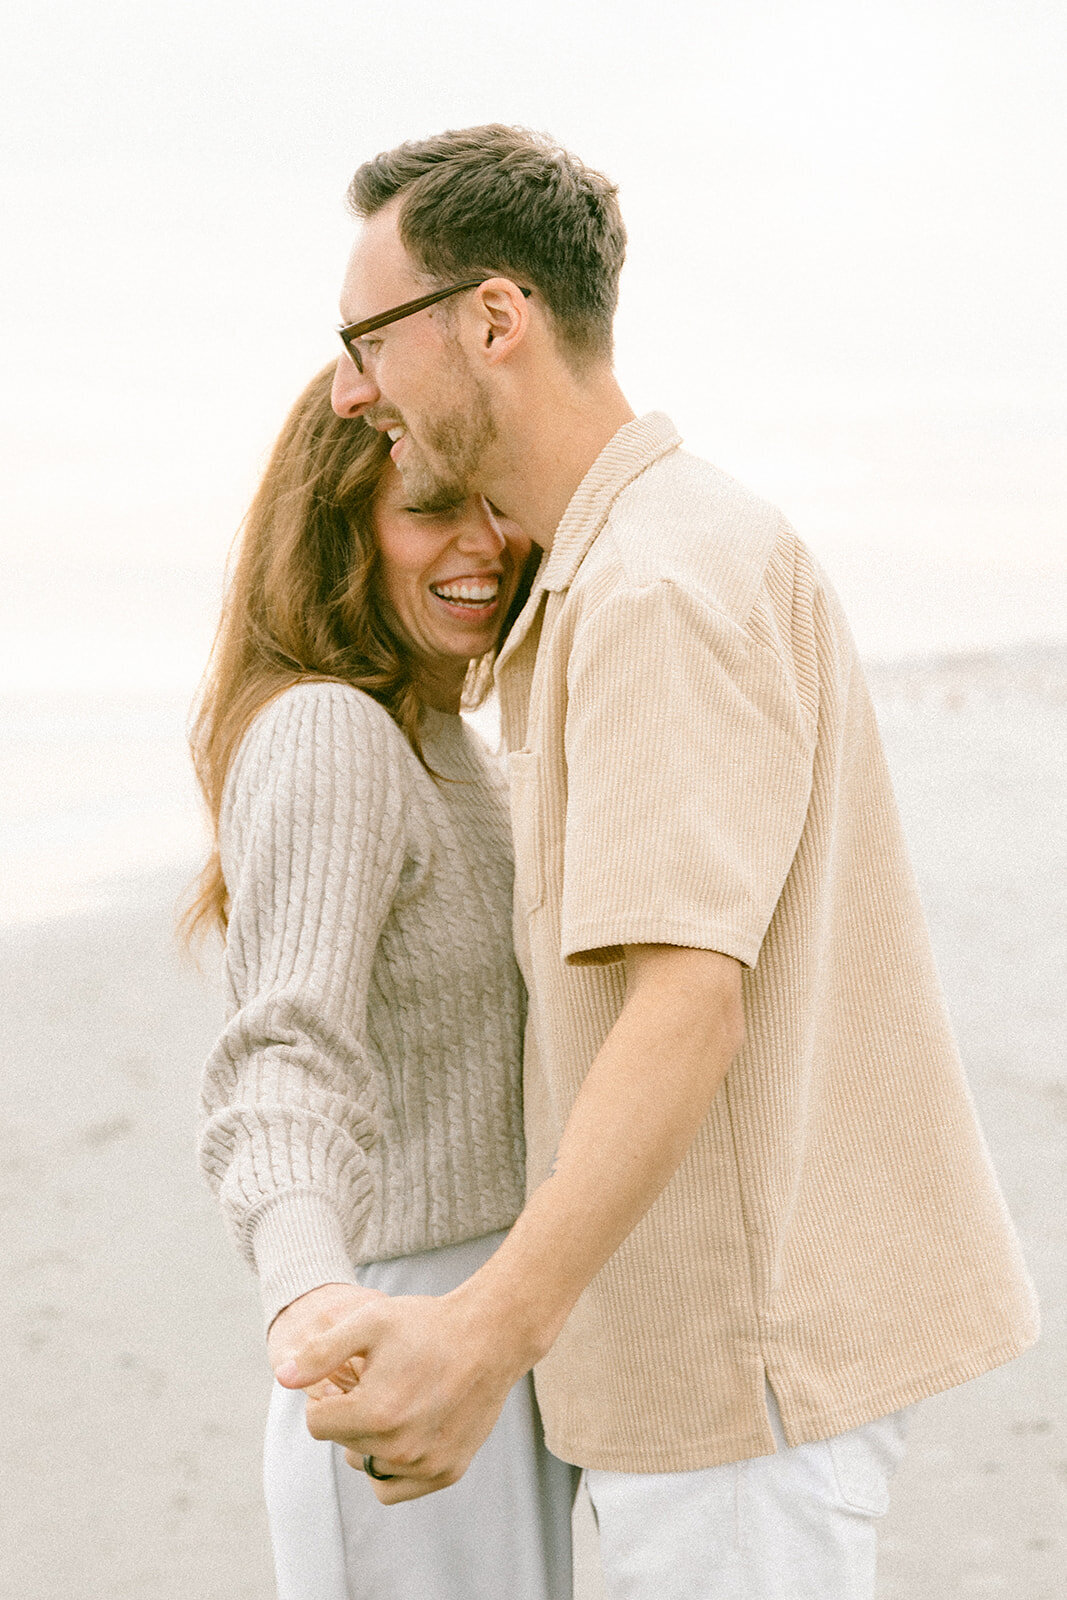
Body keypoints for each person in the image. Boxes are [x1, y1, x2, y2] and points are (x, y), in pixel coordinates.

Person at [274, 127, 1041, 1599]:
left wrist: (483, 1333)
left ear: (492, 320)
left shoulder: (652, 588)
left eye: (365, 337)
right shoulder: (622, 563)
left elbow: (686, 1008)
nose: (345, 387)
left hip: (731, 1375)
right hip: (717, 1373)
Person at [190, 363, 577, 1600]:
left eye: (491, 502)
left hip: (492, 1331)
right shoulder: (330, 732)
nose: (483, 545)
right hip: (396, 1336)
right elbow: (282, 1057)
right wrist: (309, 1300)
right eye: (428, 509)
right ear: (341, 529)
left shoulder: (454, 745)